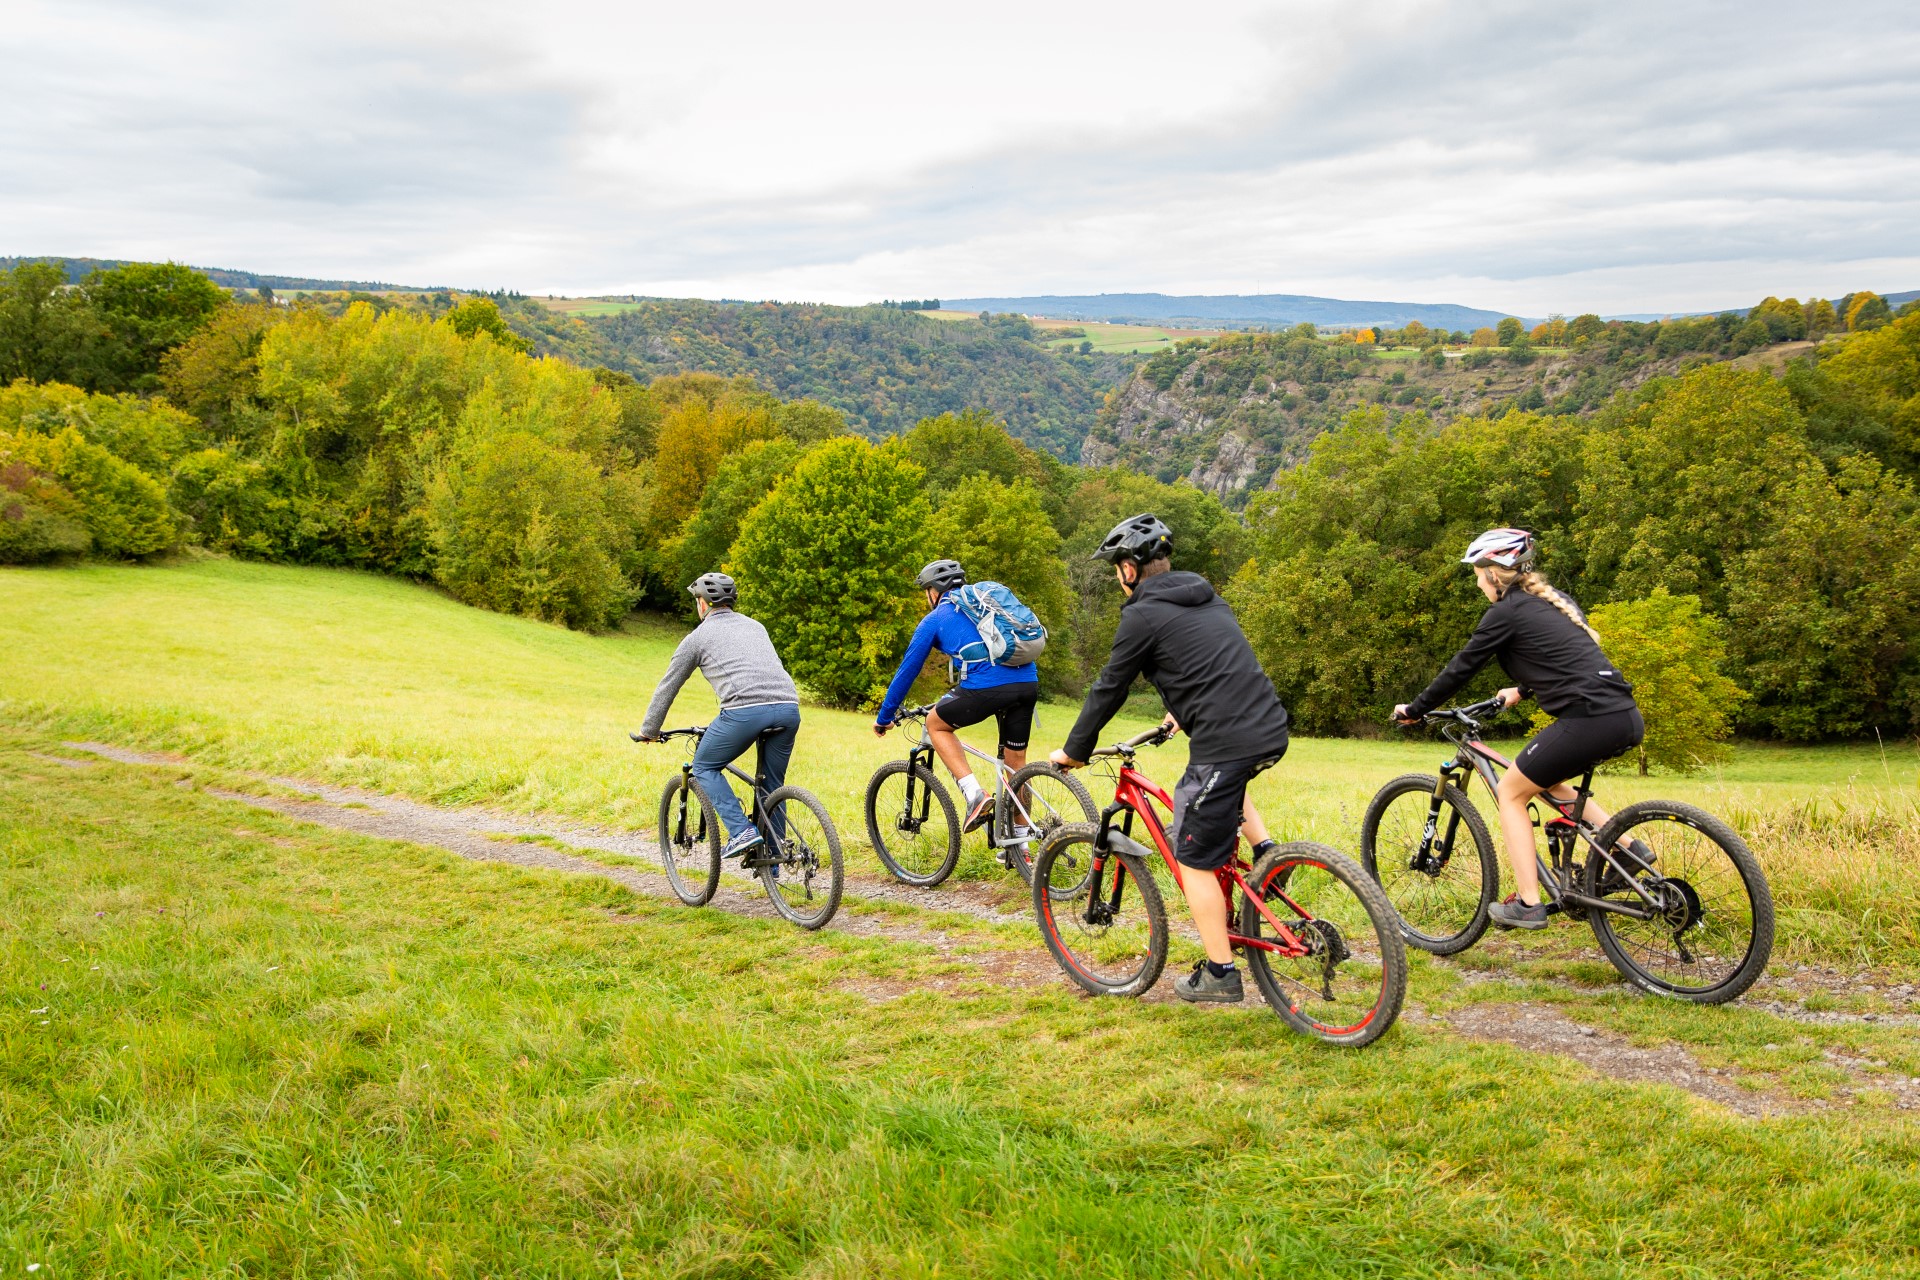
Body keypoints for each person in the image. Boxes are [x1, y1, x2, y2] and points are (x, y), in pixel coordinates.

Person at [1050, 515, 1292, 1004]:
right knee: (1220, 786)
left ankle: (1220, 973)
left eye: (1116, 569)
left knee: (1193, 856)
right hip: (1268, 725)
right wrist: (1180, 707)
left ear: (1130, 568)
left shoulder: (1141, 614)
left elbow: (1109, 687)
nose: (1117, 578)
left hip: (1225, 739)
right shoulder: (1205, 596)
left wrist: (1074, 751)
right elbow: (1208, 660)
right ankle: (1268, 856)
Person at [1394, 528, 1644, 930]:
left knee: (1510, 789)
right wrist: (1522, 691)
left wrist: (1416, 708)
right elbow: (1566, 660)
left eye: (1478, 573)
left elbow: (1462, 667)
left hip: (1588, 719)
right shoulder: (1553, 603)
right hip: (1623, 715)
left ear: (1495, 573)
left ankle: (1528, 904)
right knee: (1546, 781)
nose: (1477, 582)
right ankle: (1629, 850)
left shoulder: (1505, 612)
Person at [636, 573, 802, 860]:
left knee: (704, 767)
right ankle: (774, 861)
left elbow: (668, 686)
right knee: (771, 785)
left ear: (703, 603)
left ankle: (741, 831)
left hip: (744, 712)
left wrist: (649, 729)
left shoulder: (697, 638)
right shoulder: (756, 627)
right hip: (789, 708)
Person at [874, 559, 1041, 844]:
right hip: (1028, 684)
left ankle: (974, 794)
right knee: (1016, 767)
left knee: (935, 723)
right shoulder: (986, 602)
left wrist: (884, 716)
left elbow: (907, 671)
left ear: (934, 590)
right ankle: (1021, 846)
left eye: (926, 591)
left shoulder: (936, 618)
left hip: (987, 687)